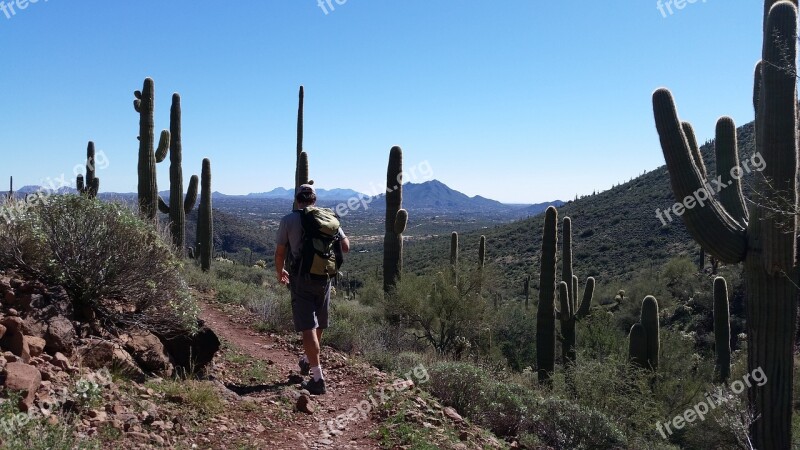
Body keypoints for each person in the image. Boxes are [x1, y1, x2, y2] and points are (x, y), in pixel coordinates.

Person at [274, 184, 349, 395]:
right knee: (319, 322)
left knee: (308, 326)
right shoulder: (327, 218)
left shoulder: (288, 220)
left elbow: (280, 252)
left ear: (297, 199)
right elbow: (345, 246)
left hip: (301, 278)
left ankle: (317, 378)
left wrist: (280, 272)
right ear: (314, 200)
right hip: (324, 278)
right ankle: (308, 359)